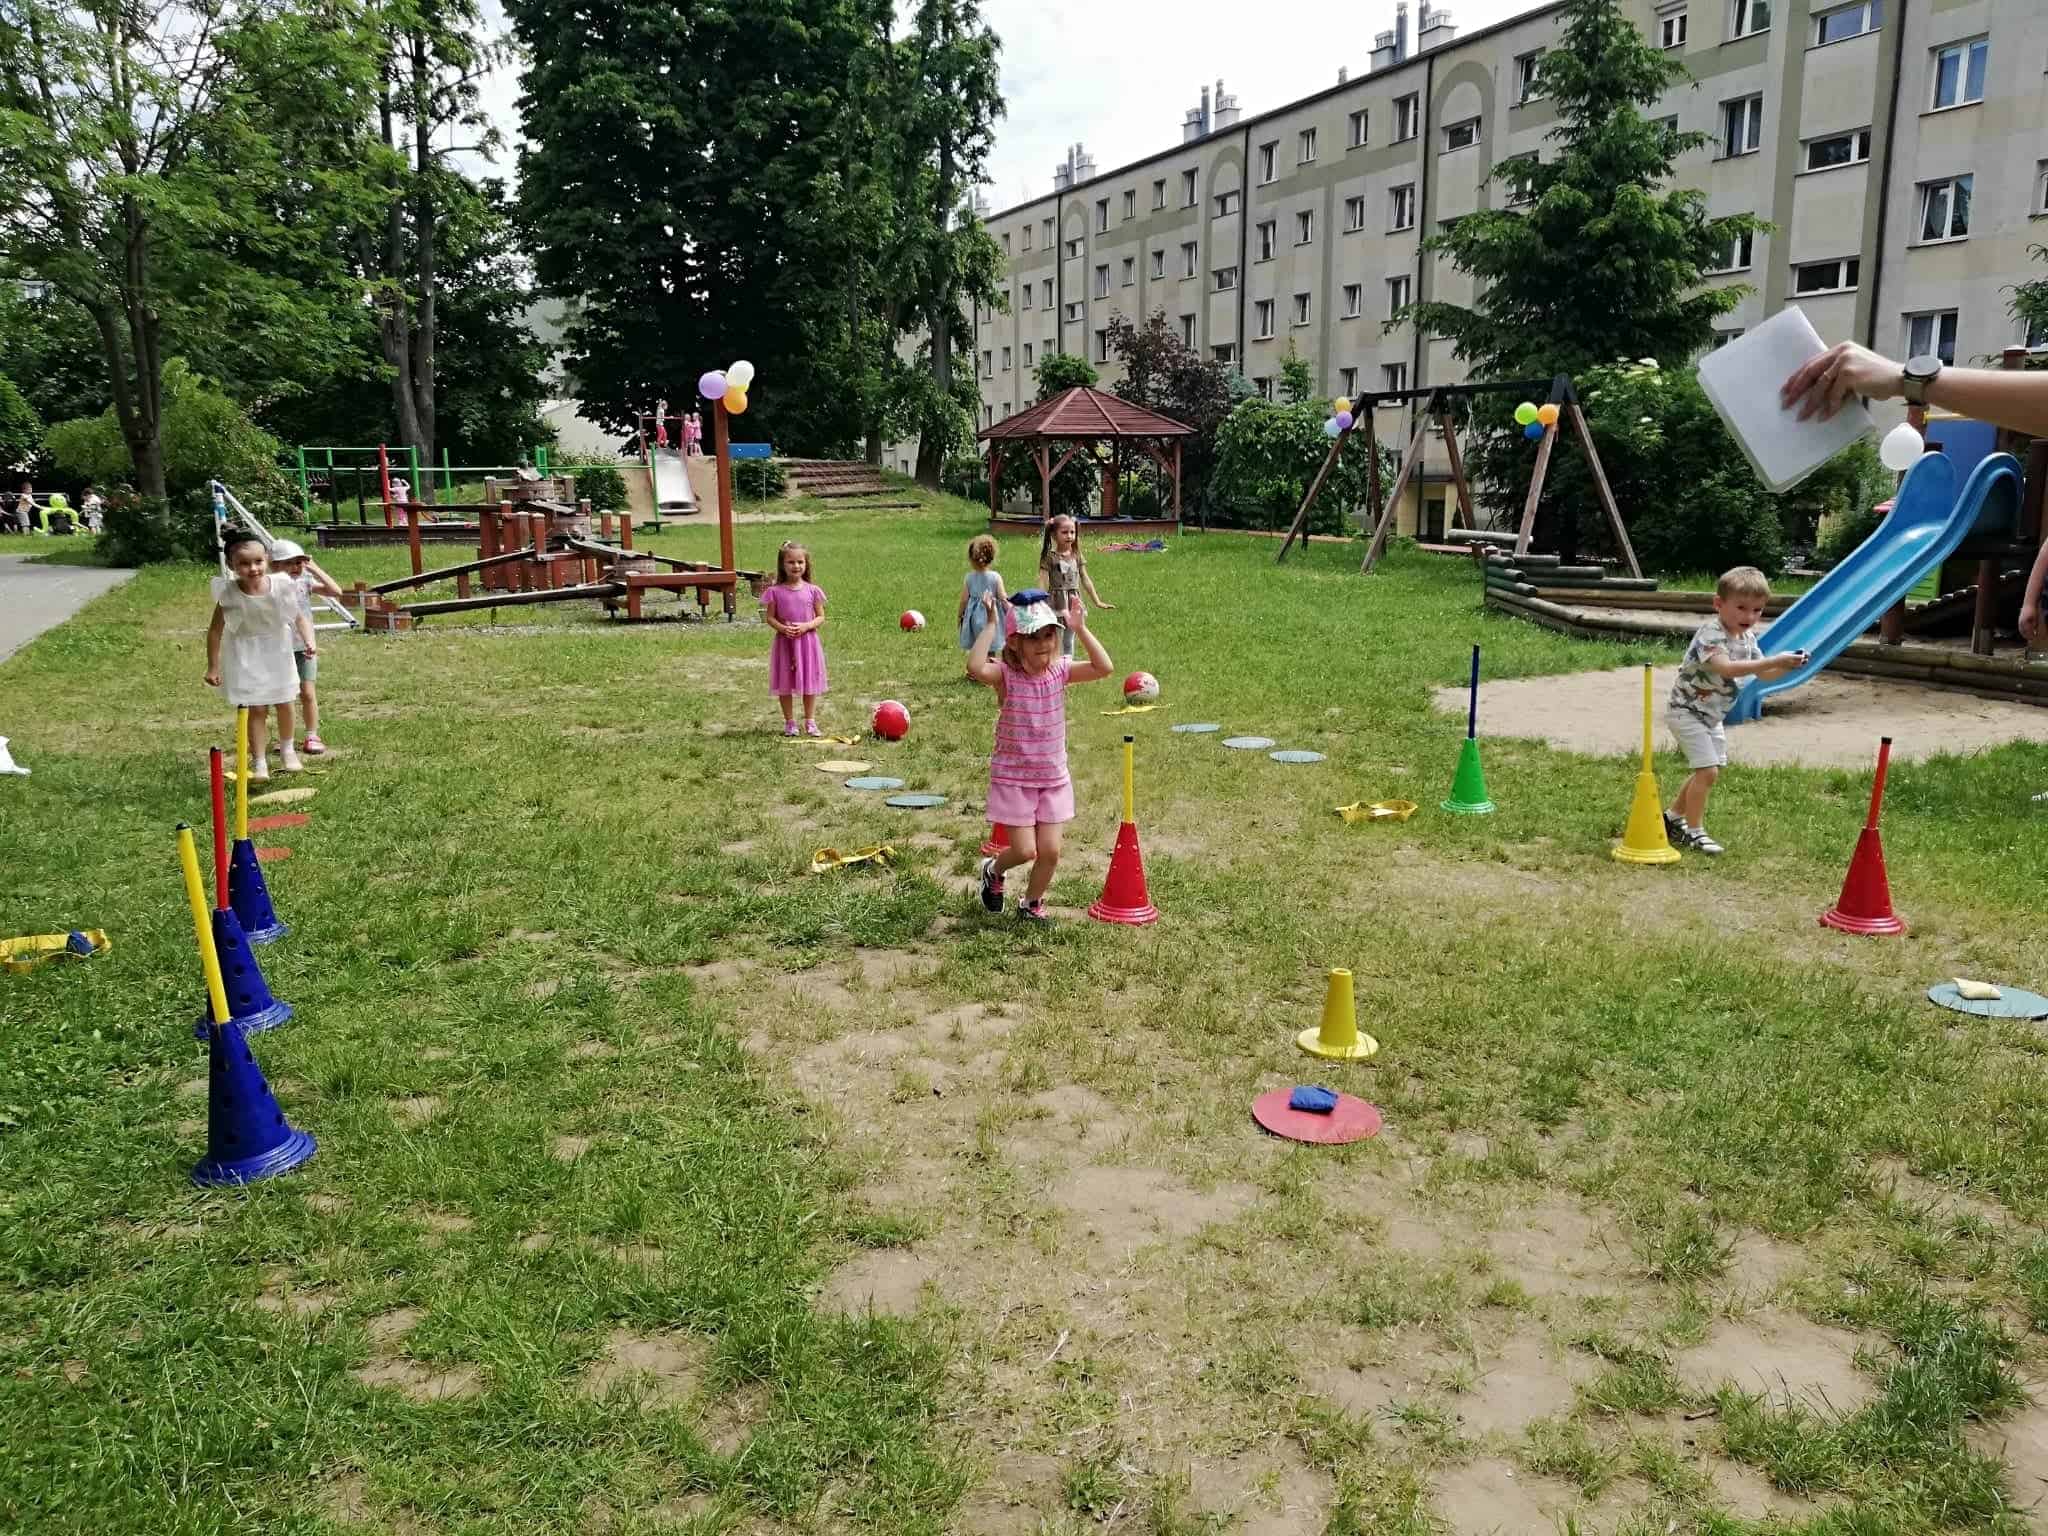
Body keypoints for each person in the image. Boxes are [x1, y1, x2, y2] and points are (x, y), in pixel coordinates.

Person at [968, 588, 1113, 923]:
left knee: (1050, 851)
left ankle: (1031, 903)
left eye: (1049, 635)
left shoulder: (1060, 671)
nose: (1044, 644)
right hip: (1014, 778)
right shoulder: (1006, 676)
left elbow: (1104, 667)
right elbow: (975, 667)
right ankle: (994, 871)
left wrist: (1080, 629)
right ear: (1015, 642)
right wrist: (991, 625)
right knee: (1024, 851)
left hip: (1052, 778)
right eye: (1033, 637)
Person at [1664, 566, 1807, 855]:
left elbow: (1764, 675)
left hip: (1712, 716)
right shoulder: (1711, 634)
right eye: (1741, 608)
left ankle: (1671, 817)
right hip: (1686, 711)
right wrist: (1773, 660)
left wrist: (1787, 665)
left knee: (1708, 771)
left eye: (1757, 610)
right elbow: (1727, 668)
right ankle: (1695, 832)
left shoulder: (1748, 638)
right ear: (1719, 604)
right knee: (1707, 771)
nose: (1749, 616)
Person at [203, 532, 313, 781]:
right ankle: (260, 761)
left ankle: (288, 751)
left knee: (285, 701)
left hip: (278, 650)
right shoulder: (228, 593)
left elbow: (298, 617)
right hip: (245, 653)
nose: (253, 568)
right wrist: (213, 667)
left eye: (258, 562)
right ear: (231, 565)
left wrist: (309, 640)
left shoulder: (281, 585)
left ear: (267, 560)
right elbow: (215, 631)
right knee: (257, 708)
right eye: (244, 563)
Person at [270, 539, 343, 756]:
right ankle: (286, 737)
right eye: (289, 563)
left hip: (304, 646)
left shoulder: (305, 581)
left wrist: (314, 568)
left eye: (299, 562)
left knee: (307, 692)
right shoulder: (269, 585)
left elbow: (336, 591)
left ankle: (312, 735)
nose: (295, 567)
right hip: (279, 647)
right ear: (275, 565)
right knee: (284, 696)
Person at [761, 541, 828, 736]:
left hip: (807, 643)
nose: (796, 566)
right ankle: (790, 722)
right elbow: (770, 618)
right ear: (782, 564)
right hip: (785, 643)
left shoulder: (812, 590)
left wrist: (806, 626)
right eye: (791, 562)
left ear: (806, 564)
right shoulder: (775, 592)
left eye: (800, 562)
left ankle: (810, 721)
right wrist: (783, 629)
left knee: (809, 680)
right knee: (785, 681)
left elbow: (821, 617)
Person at [1039, 514, 1113, 659]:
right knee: (1055, 639)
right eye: (1064, 532)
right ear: (1054, 535)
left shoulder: (1076, 555)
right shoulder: (1049, 557)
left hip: (1073, 602)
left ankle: (1068, 666)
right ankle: (1054, 666)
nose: (1069, 536)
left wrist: (1097, 601)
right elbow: (1042, 580)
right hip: (1056, 602)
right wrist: (1041, 601)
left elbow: (1085, 579)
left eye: (1072, 532)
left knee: (1069, 639)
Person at [957, 534, 1009, 655]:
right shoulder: (995, 577)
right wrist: (1011, 612)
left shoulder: (969, 578)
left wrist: (960, 616)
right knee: (990, 645)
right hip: (991, 616)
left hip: (974, 619)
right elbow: (1003, 598)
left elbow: (964, 600)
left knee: (978, 646)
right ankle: (990, 663)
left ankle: (977, 664)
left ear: (971, 558)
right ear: (991, 558)